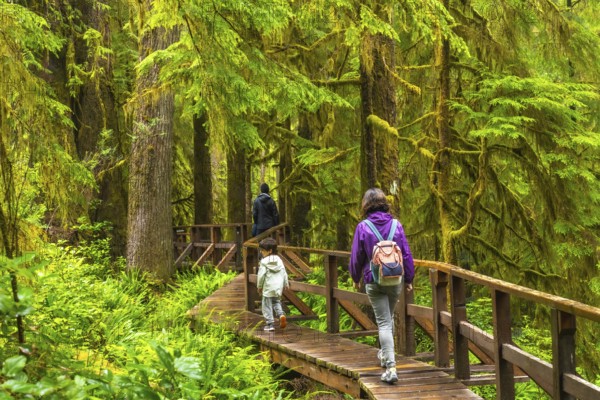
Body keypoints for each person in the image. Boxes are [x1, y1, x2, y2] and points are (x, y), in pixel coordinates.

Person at [349, 188, 415, 384]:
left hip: (374, 279)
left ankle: (391, 367)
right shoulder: (396, 224)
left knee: (384, 322)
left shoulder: (363, 226)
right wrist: (409, 278)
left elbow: (356, 256)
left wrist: (355, 276)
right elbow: (406, 254)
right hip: (395, 279)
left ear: (365, 205)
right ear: (384, 203)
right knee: (388, 318)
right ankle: (386, 356)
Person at [257, 237, 289, 331]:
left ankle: (270, 324)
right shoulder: (279, 260)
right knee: (276, 302)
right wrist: (285, 283)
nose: (261, 252)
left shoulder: (263, 262)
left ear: (270, 251)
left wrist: (259, 286)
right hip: (278, 287)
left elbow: (261, 276)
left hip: (268, 287)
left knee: (266, 305)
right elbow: (284, 272)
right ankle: (281, 315)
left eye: (263, 250)